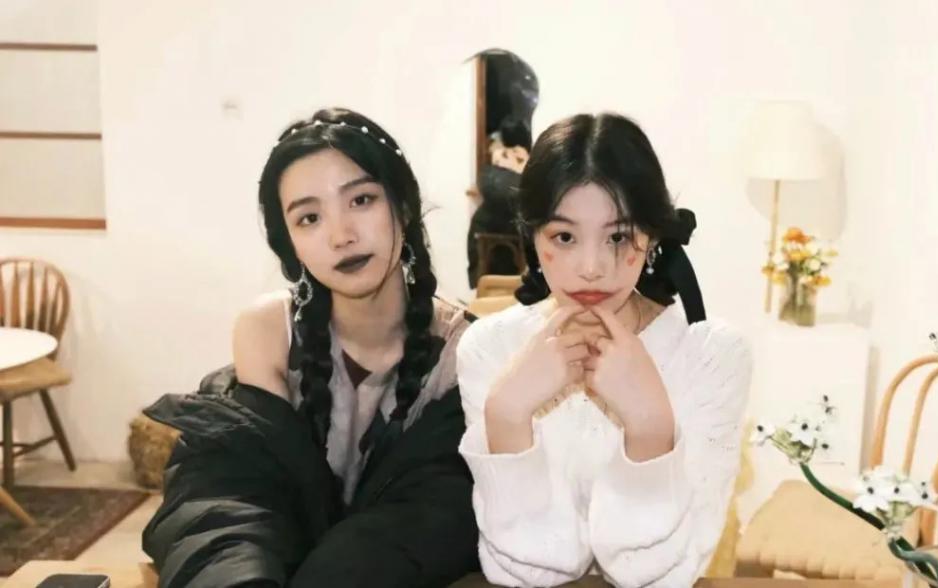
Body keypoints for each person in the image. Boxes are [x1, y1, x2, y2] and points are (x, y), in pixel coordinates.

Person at [142, 108, 479, 587]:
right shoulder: (268, 329)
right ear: (291, 244)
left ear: (402, 206)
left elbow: (433, 513)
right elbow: (242, 494)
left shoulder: (466, 349)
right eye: (309, 218)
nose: (341, 236)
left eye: (361, 200)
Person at [456, 113, 753, 588]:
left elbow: (661, 577)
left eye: (618, 237)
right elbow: (527, 572)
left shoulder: (712, 354)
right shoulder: (491, 348)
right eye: (564, 237)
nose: (591, 267)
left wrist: (650, 426)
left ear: (650, 236)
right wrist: (507, 414)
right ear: (532, 235)